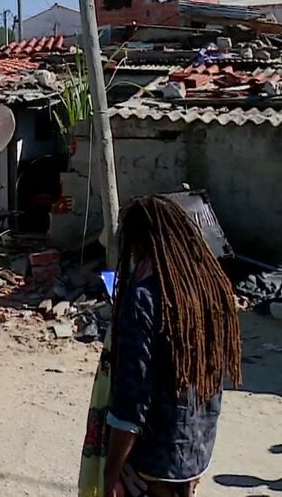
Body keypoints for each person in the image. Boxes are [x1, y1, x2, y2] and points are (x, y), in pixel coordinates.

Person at [101, 196, 242, 497]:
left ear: (139, 241)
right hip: (196, 452)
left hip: (153, 463)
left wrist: (112, 470)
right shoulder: (208, 288)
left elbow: (132, 397)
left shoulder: (144, 297)